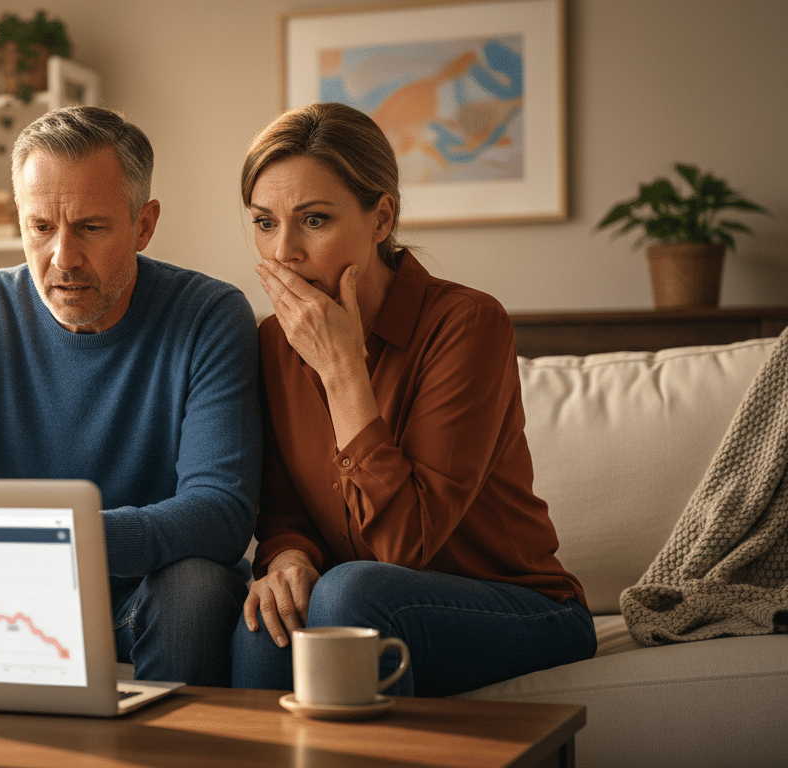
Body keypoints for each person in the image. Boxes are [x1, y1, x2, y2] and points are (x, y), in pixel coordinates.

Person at [230, 102, 595, 696]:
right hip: (359, 597)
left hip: (525, 608)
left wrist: (343, 370)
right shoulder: (274, 341)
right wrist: (287, 562)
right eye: (264, 222)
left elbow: (403, 545)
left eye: (314, 220)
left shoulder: (468, 323)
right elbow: (284, 513)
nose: (283, 253)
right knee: (266, 618)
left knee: (351, 593)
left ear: (381, 218)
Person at [0, 105, 262, 687]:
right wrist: (32, 555)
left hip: (153, 590)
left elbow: (220, 513)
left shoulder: (209, 316)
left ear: (144, 225)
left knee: (196, 587)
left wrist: (59, 539)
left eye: (90, 227)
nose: (62, 259)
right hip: (15, 596)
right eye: (40, 228)